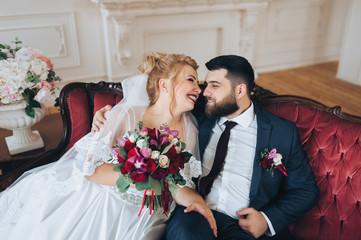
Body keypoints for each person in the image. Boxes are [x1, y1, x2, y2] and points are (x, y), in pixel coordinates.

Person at [93, 55, 319, 239]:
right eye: (204, 83)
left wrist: (268, 219)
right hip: (195, 215)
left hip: (245, 225)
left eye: (214, 85)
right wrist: (108, 115)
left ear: (240, 91)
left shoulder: (282, 132)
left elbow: (306, 189)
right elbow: (162, 94)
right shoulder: (196, 113)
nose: (204, 91)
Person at [0, 52, 217, 240]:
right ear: (164, 84)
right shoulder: (125, 114)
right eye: (191, 80)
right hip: (105, 198)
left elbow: (177, 183)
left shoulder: (190, 130)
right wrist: (144, 181)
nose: (198, 89)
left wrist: (199, 202)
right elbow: (91, 169)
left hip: (150, 212)